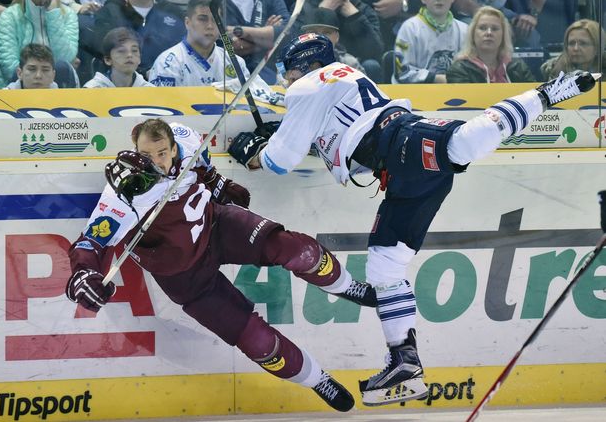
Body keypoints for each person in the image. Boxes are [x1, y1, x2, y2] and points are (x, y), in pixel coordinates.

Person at [227, 32, 598, 406]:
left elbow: (279, 161)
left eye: (289, 72)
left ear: (305, 66)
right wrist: (280, 132)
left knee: (460, 144)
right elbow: (328, 133)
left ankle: (546, 94)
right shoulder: (337, 78)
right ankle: (405, 364)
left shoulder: (308, 85)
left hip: (399, 142)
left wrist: (255, 151)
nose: (286, 80)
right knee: (385, 265)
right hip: (401, 169)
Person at [65, 118, 382, 412]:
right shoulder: (125, 193)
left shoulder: (187, 141)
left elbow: (202, 166)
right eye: (146, 155)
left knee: (299, 251)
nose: (155, 161)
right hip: (184, 275)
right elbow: (90, 242)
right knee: (260, 343)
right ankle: (317, 380)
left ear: (174, 147)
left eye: (162, 153)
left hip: (218, 227)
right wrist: (83, 274)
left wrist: (218, 185)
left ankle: (346, 287)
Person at [147, 0, 281, 105]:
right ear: (187, 23)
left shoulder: (235, 62)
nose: (210, 25)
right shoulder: (168, 63)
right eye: (203, 19)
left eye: (215, 19)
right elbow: (162, 113)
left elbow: (247, 106)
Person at [0, 0, 80, 89]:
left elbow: (64, 60)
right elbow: (9, 67)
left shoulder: (68, 15)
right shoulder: (9, 16)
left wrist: (54, 14)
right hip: (16, 88)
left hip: (56, 87)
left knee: (62, 67)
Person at [93, 0, 185, 76]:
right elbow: (105, 53)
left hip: (165, 84)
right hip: (121, 85)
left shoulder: (173, 14)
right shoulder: (110, 12)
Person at [296, 0, 383, 82]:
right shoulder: (302, 6)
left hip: (353, 71)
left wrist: (356, 18)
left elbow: (376, 52)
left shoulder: (363, 9)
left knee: (371, 65)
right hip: (313, 68)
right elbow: (295, 47)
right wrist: (320, 14)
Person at [393, 0, 467, 84]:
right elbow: (401, 72)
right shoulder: (408, 29)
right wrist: (437, 79)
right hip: (415, 95)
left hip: (454, 94)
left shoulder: (464, 30)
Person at [224, 0, 290, 85]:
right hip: (228, 79)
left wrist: (238, 31)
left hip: (268, 81)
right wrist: (266, 37)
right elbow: (229, 46)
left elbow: (286, 35)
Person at [446, 6, 534, 83]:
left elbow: (535, 98)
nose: (489, 33)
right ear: (473, 34)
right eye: (482, 28)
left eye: (495, 29)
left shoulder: (518, 67)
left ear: (503, 35)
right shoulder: (460, 69)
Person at [84, 27, 153, 87]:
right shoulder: (92, 90)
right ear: (108, 59)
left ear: (139, 58)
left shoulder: (150, 91)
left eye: (134, 50)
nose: (129, 55)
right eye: (122, 51)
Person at [300, 7, 363, 73]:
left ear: (337, 37)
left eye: (327, 32)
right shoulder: (295, 65)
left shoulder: (349, 63)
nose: (320, 37)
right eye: (313, 32)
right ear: (304, 37)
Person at [541, 19, 606, 81]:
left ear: (598, 47)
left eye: (583, 43)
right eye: (571, 43)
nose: (576, 48)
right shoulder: (552, 70)